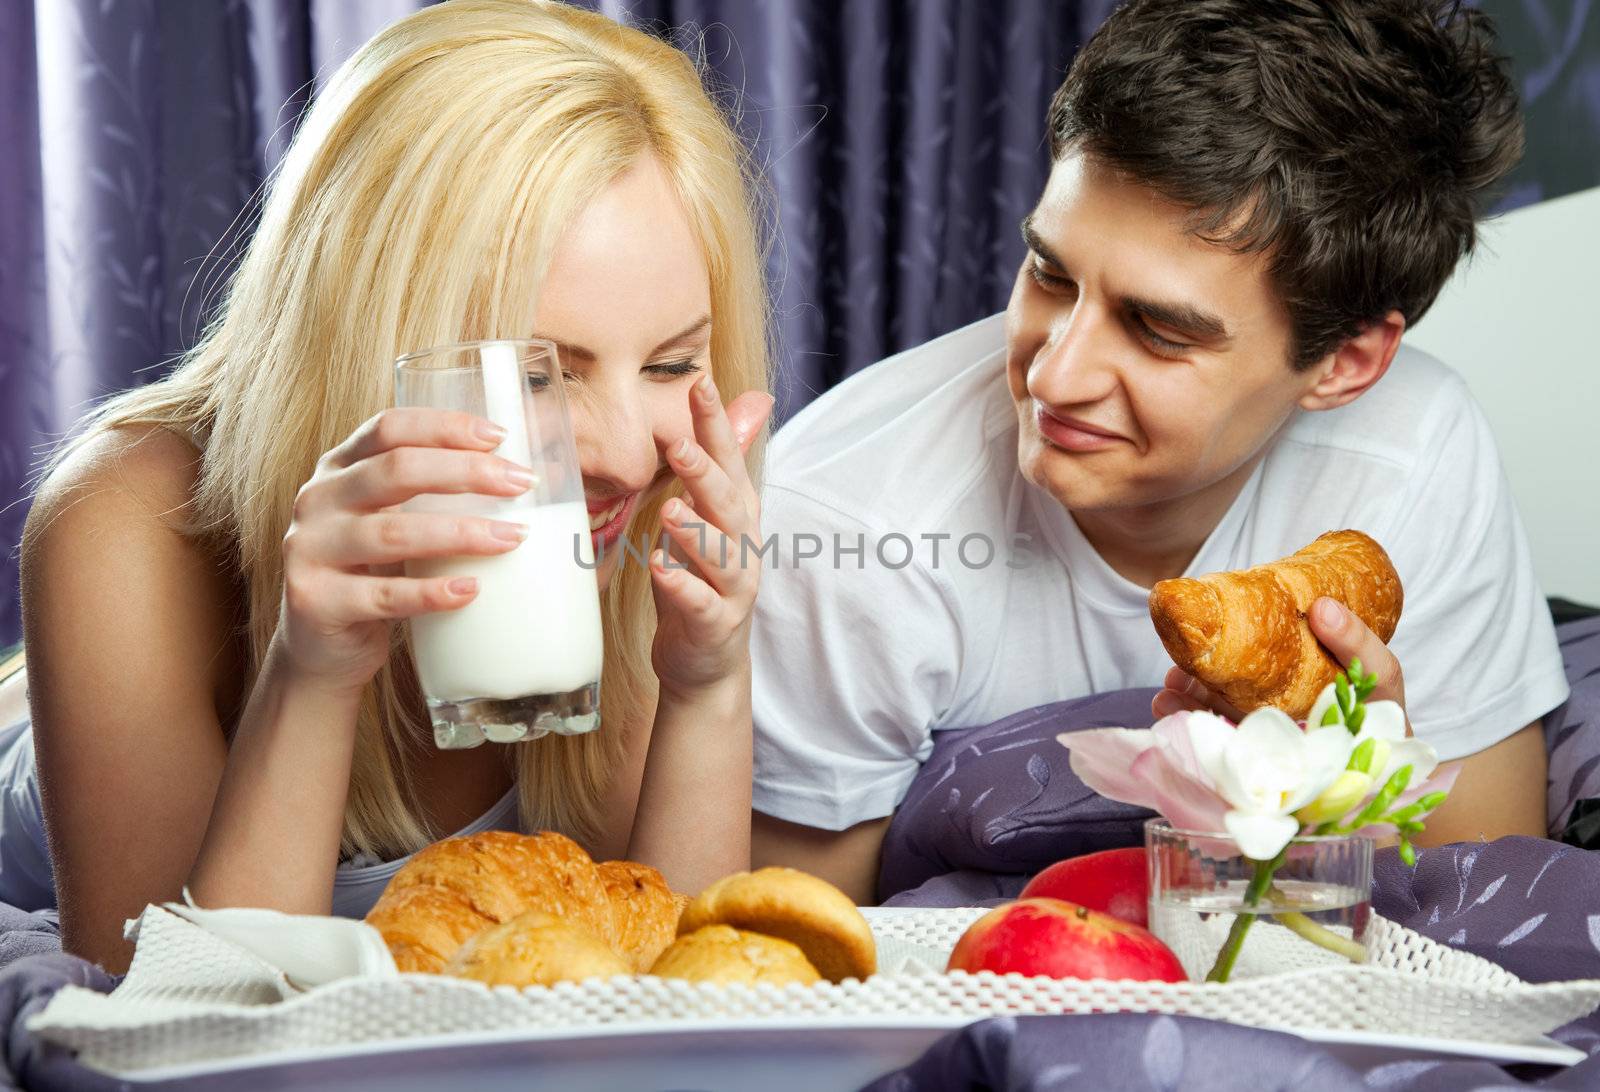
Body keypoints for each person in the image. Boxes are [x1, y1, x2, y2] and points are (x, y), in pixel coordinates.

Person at [748, 0, 1568, 902]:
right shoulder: (847, 521)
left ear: (1345, 363)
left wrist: (1351, 808)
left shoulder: (1412, 454)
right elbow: (805, 958)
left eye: (1157, 330)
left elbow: (1490, 899)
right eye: (1050, 274)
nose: (1055, 377)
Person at [14, 0, 772, 971]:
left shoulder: (644, 510)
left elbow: (677, 991)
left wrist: (707, 687)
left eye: (669, 366)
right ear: (379, 338)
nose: (627, 457)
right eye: (541, 375)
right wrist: (312, 675)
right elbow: (190, 1028)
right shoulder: (123, 526)